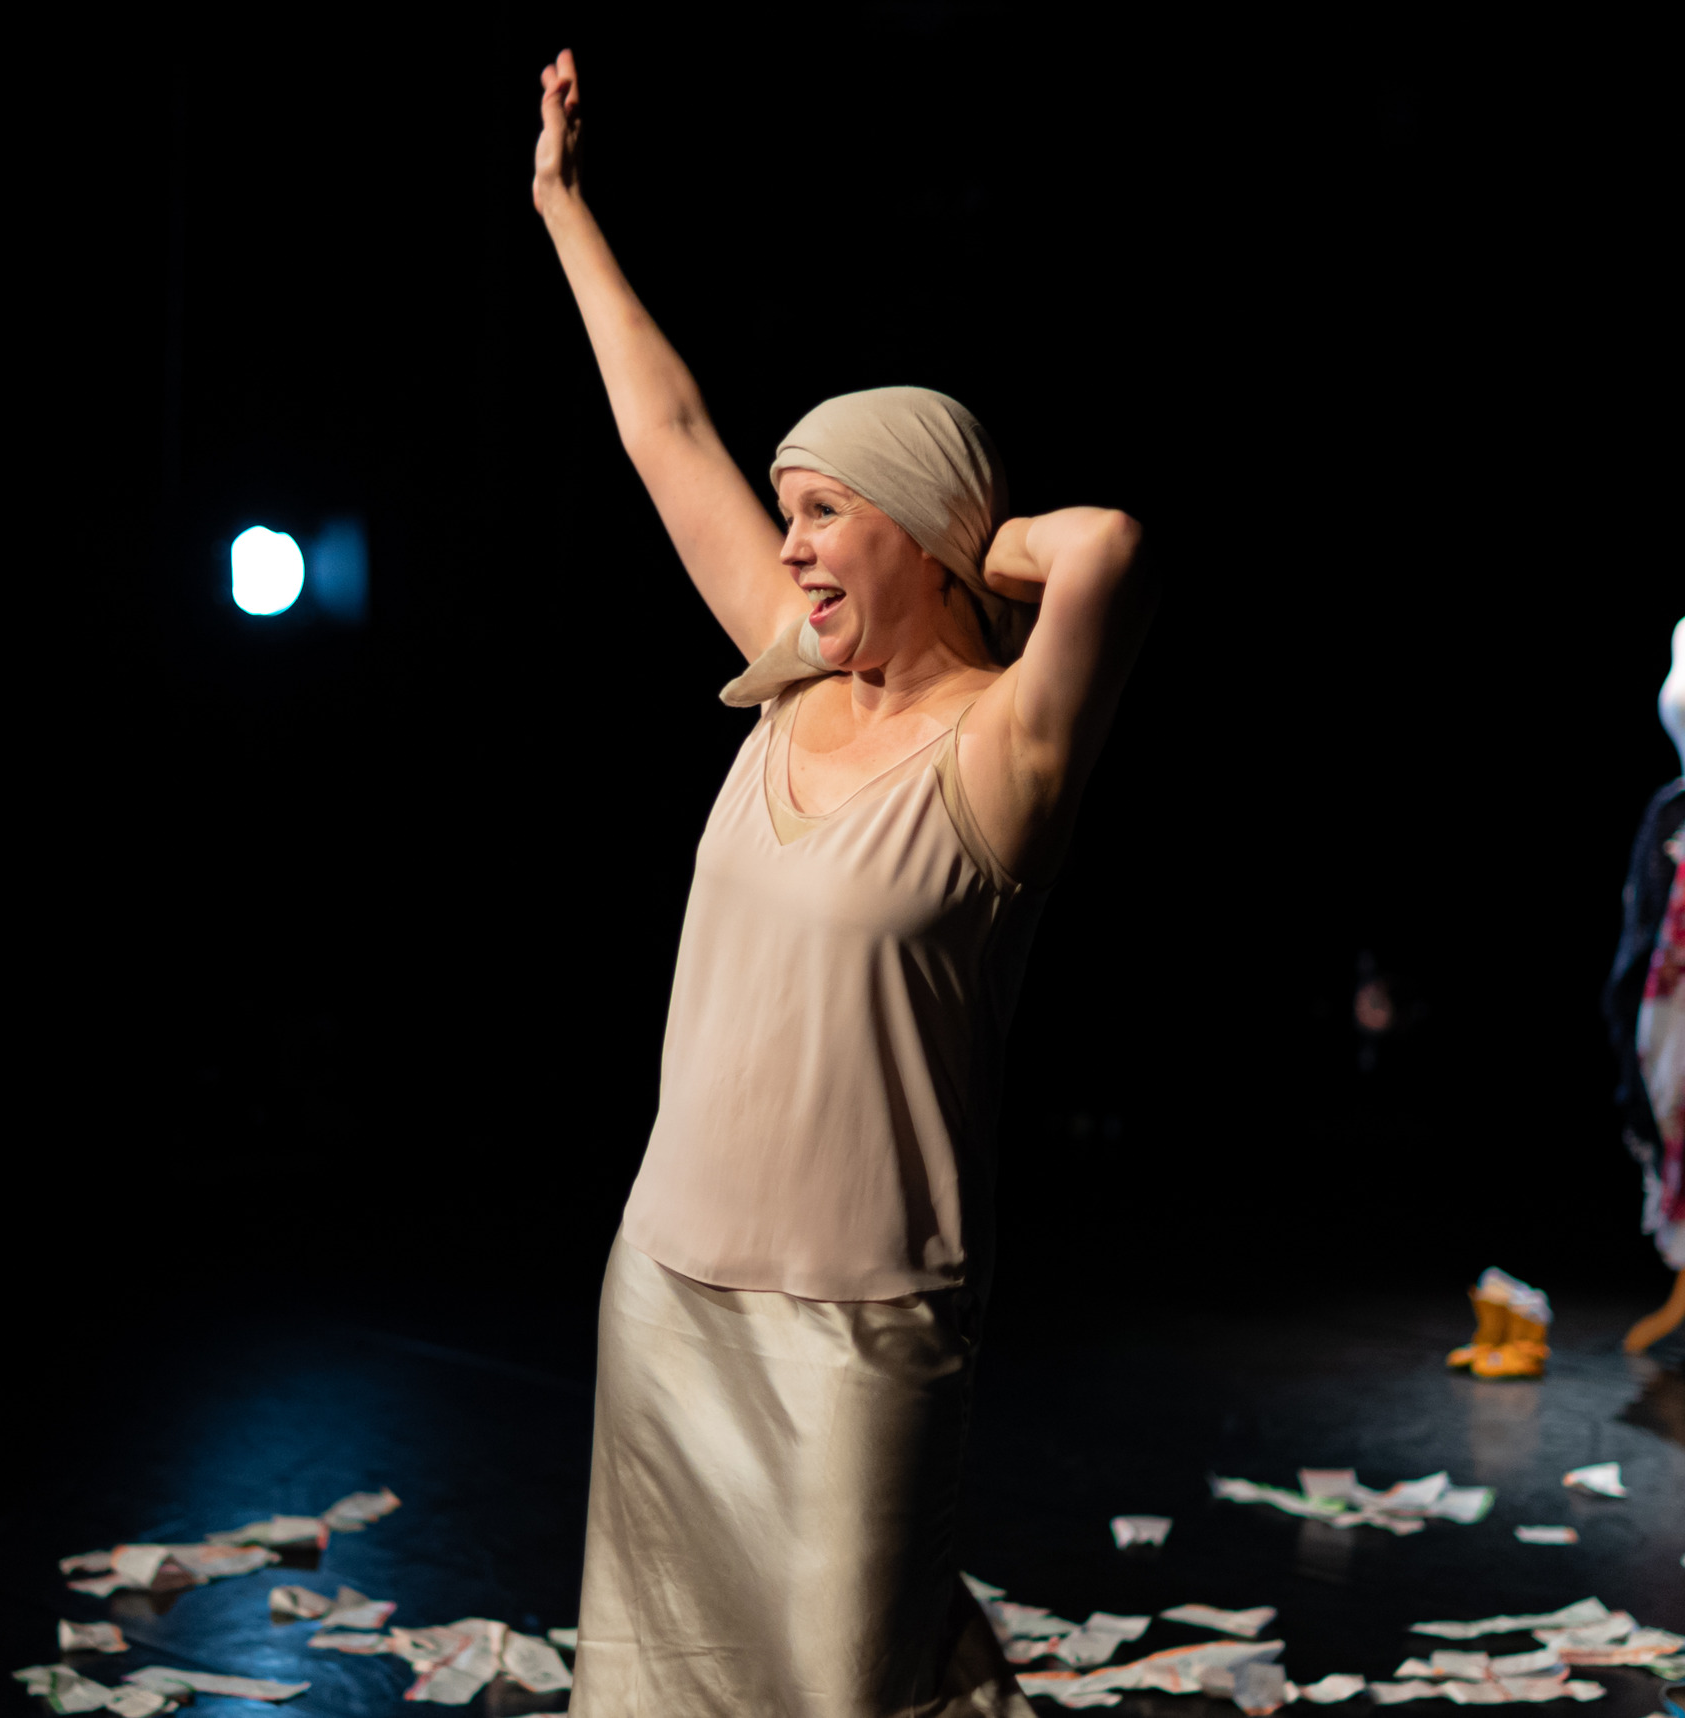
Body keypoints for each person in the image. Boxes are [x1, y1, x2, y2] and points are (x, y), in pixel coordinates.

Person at [532, 48, 1152, 1717]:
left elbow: (1099, 548)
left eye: (826, 515)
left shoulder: (998, 758)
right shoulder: (792, 675)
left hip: (861, 1332)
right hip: (667, 1288)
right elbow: (664, 430)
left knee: (849, 1690)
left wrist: (978, 535)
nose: (791, 546)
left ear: (919, 533)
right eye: (788, 513)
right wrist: (562, 209)